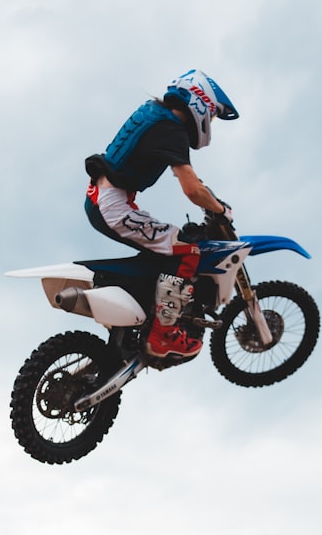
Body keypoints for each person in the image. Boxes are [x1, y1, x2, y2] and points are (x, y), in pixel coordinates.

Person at [84, 69, 239, 358]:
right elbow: (192, 189)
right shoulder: (171, 129)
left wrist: (206, 195)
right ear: (201, 102)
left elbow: (188, 177)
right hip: (113, 206)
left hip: (101, 198)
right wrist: (220, 209)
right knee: (189, 250)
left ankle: (144, 308)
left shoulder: (155, 114)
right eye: (213, 115)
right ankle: (162, 334)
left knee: (167, 247)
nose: (212, 122)